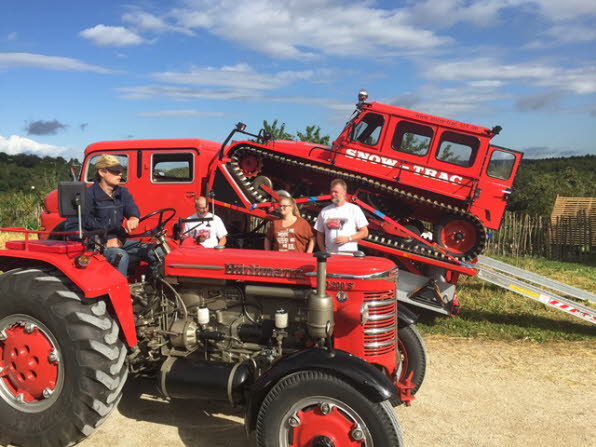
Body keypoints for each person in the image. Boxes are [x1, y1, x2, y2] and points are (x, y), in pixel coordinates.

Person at [65, 154, 158, 278]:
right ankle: (120, 294)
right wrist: (102, 242)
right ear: (102, 172)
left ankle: (153, 290)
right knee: (120, 256)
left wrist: (133, 217)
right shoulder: (87, 196)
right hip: (96, 245)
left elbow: (131, 207)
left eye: (121, 171)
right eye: (115, 171)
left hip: (119, 240)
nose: (120, 174)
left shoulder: (122, 193)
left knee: (156, 252)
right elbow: (73, 229)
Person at [314, 179, 369, 254]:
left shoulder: (354, 209)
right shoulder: (325, 211)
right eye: (331, 192)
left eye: (336, 192)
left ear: (344, 193)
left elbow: (364, 232)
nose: (333, 194)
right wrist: (323, 251)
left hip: (348, 254)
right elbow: (319, 234)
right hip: (330, 254)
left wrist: (348, 239)